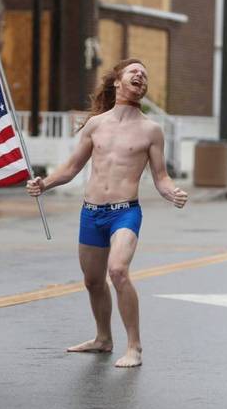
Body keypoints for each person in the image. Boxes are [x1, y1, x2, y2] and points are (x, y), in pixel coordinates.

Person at [26, 58, 188, 368]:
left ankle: (134, 347)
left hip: (124, 213)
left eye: (144, 74)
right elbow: (71, 168)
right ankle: (103, 339)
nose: (140, 76)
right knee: (92, 281)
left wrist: (172, 193)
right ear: (117, 82)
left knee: (118, 271)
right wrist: (43, 184)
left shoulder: (151, 130)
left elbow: (161, 177)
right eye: (134, 71)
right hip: (91, 213)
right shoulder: (96, 125)